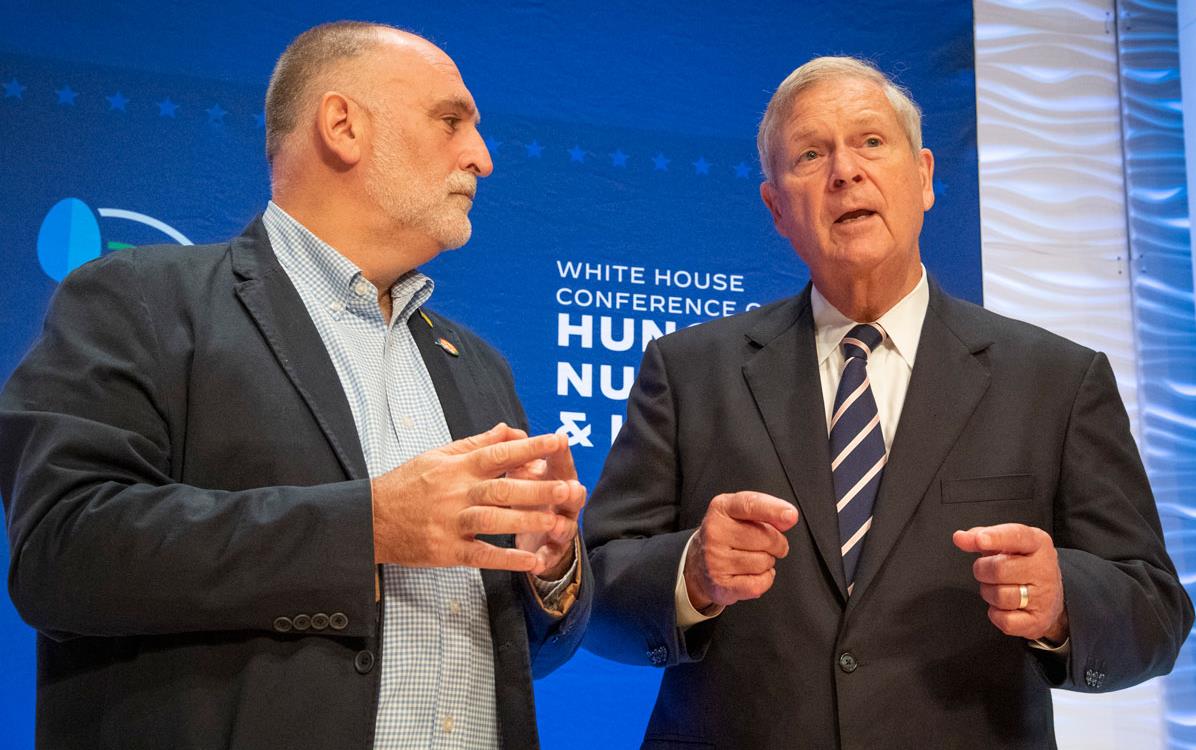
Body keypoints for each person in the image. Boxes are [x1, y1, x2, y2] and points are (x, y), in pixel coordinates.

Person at [0, 21, 589, 750]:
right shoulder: (137, 301)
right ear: (343, 126)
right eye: (451, 121)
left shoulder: (478, 365)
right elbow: (64, 551)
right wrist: (368, 524)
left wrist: (549, 567)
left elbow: (518, 656)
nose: (482, 157)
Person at [582, 56, 1191, 748]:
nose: (845, 171)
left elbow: (1155, 609)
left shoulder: (1056, 380)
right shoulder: (689, 371)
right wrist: (689, 573)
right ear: (776, 208)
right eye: (811, 154)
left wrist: (1061, 602)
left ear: (925, 176)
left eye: (872, 142)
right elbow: (594, 589)